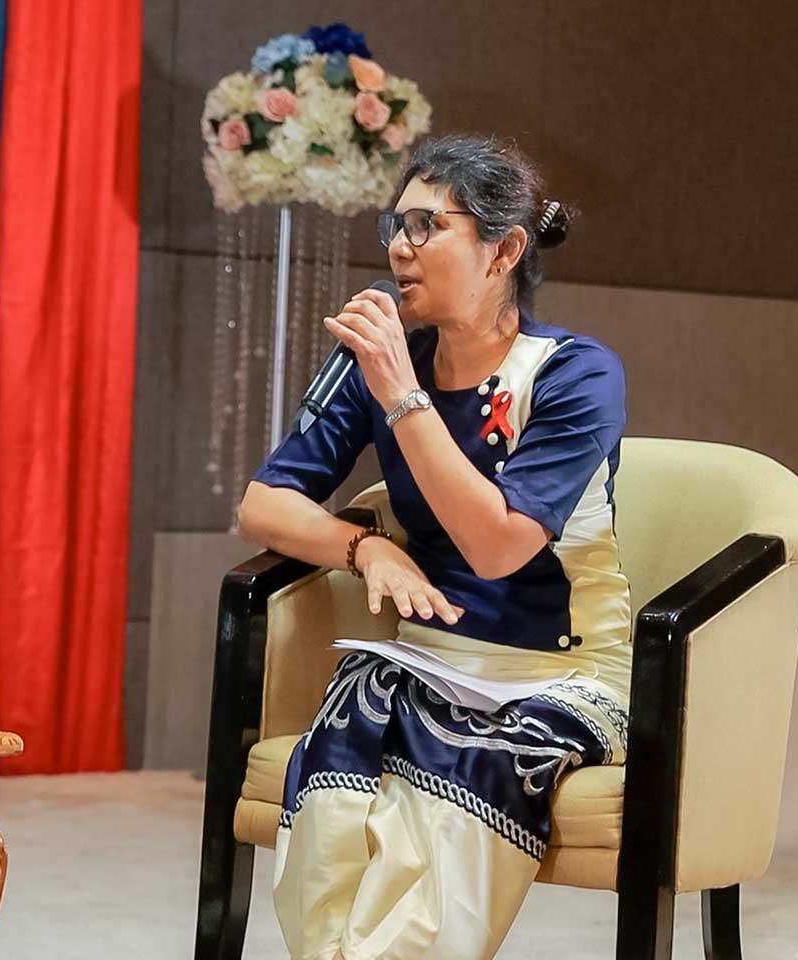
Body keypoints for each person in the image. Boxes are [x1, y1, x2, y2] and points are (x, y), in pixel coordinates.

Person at [239, 135, 630, 960]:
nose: (399, 247)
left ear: (504, 251)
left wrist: (400, 392)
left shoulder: (575, 373)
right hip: (427, 657)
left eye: (427, 226)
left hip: (560, 673)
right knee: (344, 741)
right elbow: (263, 504)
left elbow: (497, 548)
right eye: (396, 225)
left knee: (469, 767)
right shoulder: (382, 357)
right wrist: (365, 550)